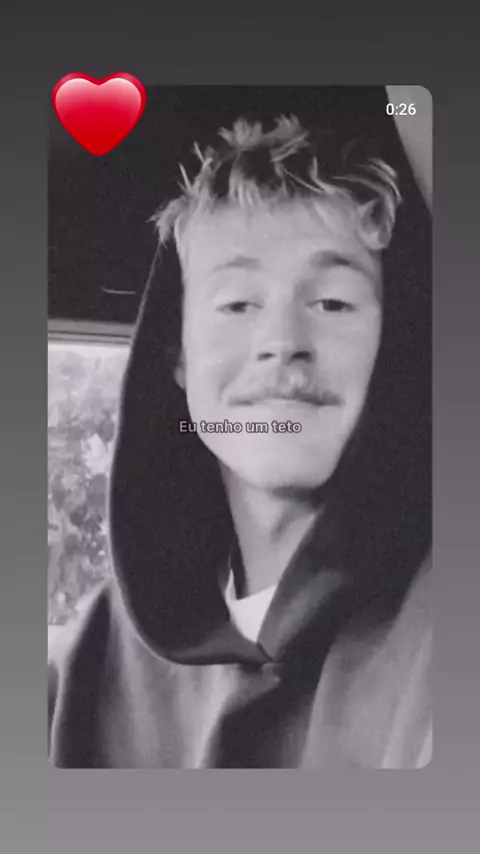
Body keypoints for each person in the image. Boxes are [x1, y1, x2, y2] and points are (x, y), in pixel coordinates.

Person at [48, 104, 432, 769]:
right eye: (237, 304)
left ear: (386, 348)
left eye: (333, 302)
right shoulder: (93, 652)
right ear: (177, 356)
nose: (283, 342)